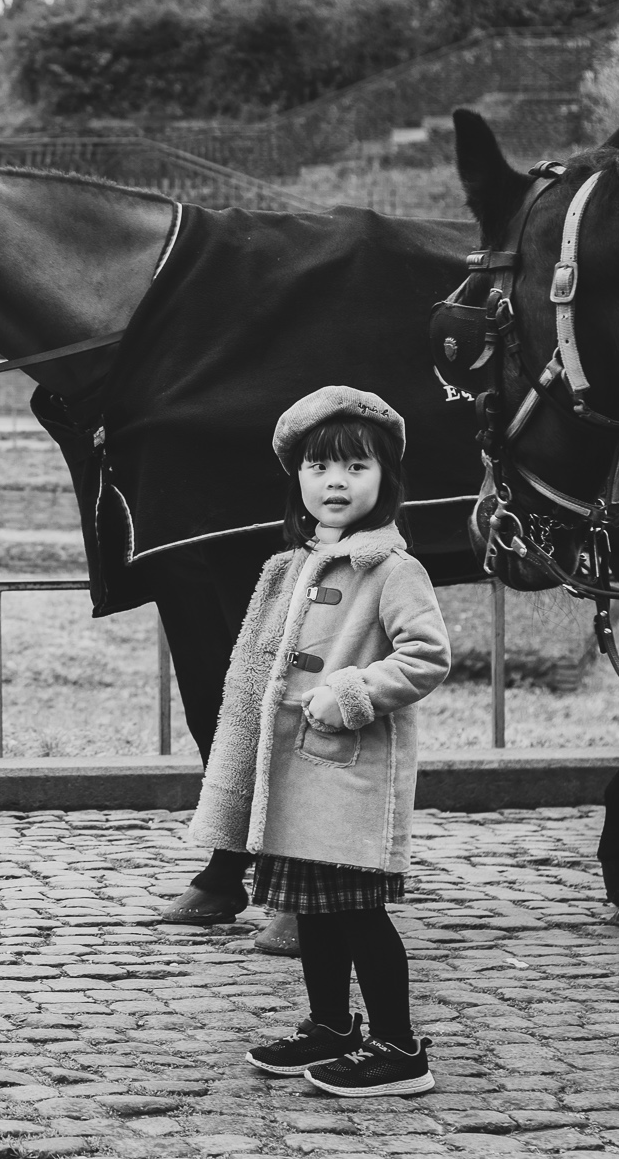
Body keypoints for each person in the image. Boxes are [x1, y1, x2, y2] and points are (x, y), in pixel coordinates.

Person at [188, 386, 449, 1098]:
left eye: (355, 467)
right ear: (297, 478)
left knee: (361, 912)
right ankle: (332, 1025)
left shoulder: (392, 569)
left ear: (386, 480)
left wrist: (349, 693)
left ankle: (400, 1048)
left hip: (349, 770)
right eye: (319, 467)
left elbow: (427, 654)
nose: (335, 481)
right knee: (315, 911)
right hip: (296, 774)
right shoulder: (294, 563)